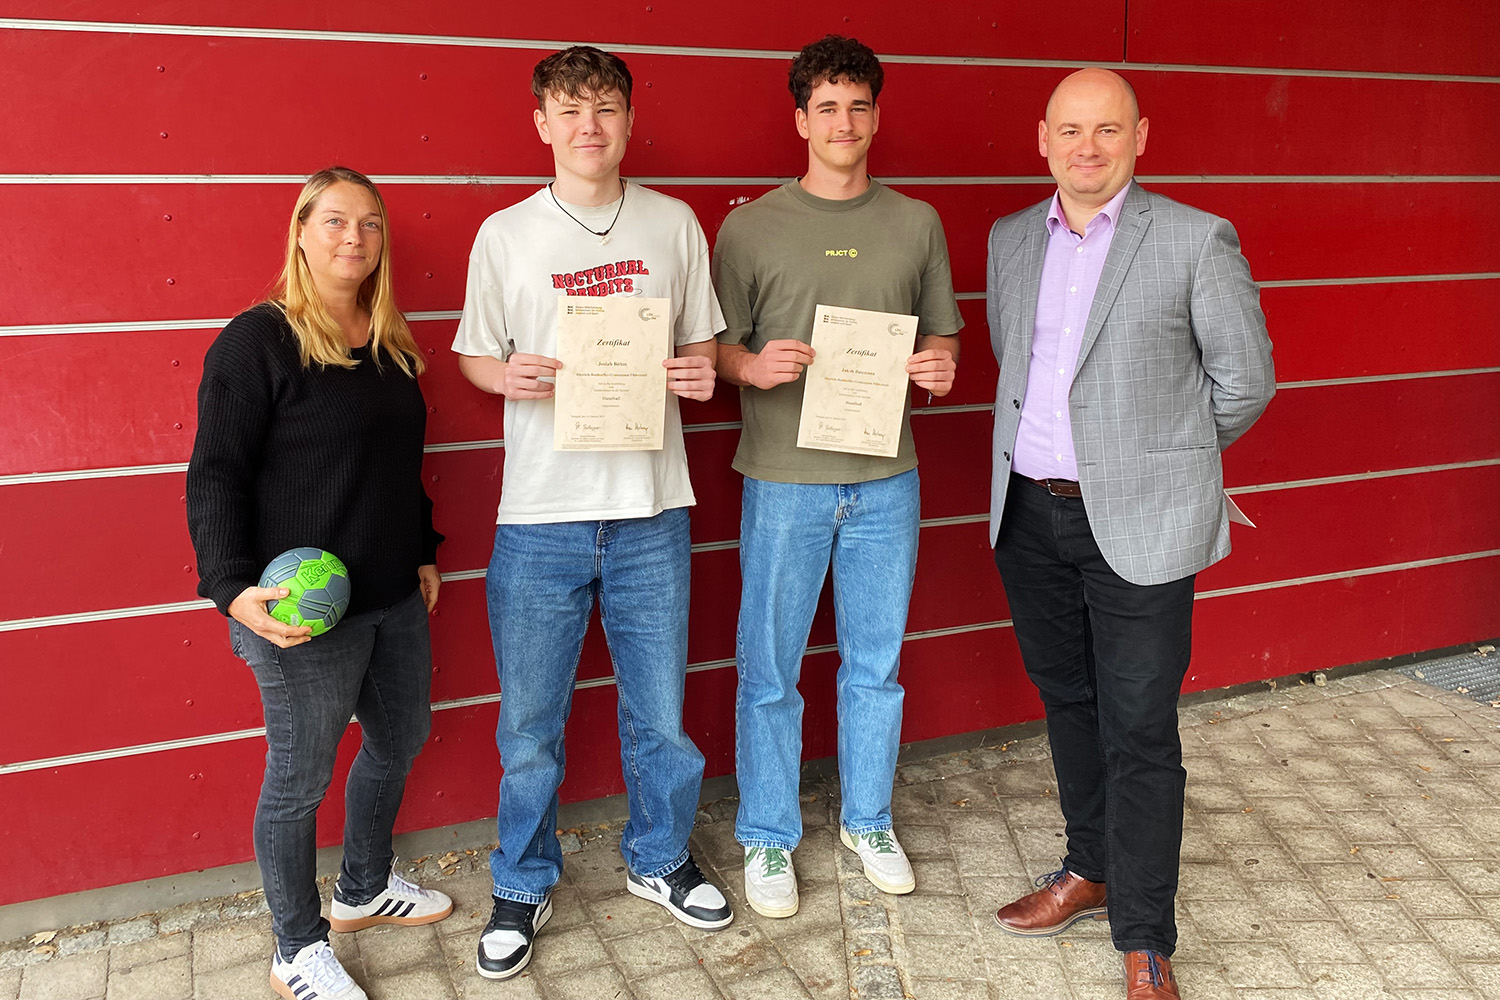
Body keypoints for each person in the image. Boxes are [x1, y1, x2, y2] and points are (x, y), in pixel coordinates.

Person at [985, 69, 1275, 1000]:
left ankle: (1145, 935)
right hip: (1028, 511)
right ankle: (1087, 866)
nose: (1087, 147)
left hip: (1140, 521)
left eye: (1106, 130)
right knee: (1068, 701)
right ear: (1043, 139)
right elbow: (1015, 362)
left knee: (1141, 729)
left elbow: (1247, 380)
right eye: (1070, 131)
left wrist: (1159, 463)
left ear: (1140, 137)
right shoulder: (1009, 240)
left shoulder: (1194, 240)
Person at [451, 45, 732, 981]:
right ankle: (523, 881)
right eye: (571, 110)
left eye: (606, 107)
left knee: (662, 715)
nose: (590, 126)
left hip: (652, 510)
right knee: (530, 726)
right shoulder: (507, 235)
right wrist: (505, 374)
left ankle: (658, 858)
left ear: (627, 118)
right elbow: (473, 358)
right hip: (540, 518)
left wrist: (697, 375)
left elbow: (701, 350)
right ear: (541, 124)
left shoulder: (674, 222)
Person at [712, 34, 963, 919]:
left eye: (859, 105)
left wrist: (938, 369)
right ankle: (771, 837)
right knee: (771, 667)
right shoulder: (749, 226)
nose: (844, 122)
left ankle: (867, 820)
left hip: (888, 480)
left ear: (877, 116)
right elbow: (715, 351)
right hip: (783, 480)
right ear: (800, 119)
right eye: (827, 106)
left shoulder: (915, 222)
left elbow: (943, 338)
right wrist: (753, 369)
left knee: (875, 665)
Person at [187, 166, 451, 1000]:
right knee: (299, 779)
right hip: (300, 611)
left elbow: (398, 467)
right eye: (335, 221)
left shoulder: (387, 339)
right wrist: (231, 588)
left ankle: (364, 887)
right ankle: (295, 948)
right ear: (301, 230)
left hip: (392, 596)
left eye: (370, 224)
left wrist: (422, 548)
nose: (354, 238)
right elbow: (215, 474)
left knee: (401, 739)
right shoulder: (255, 342)